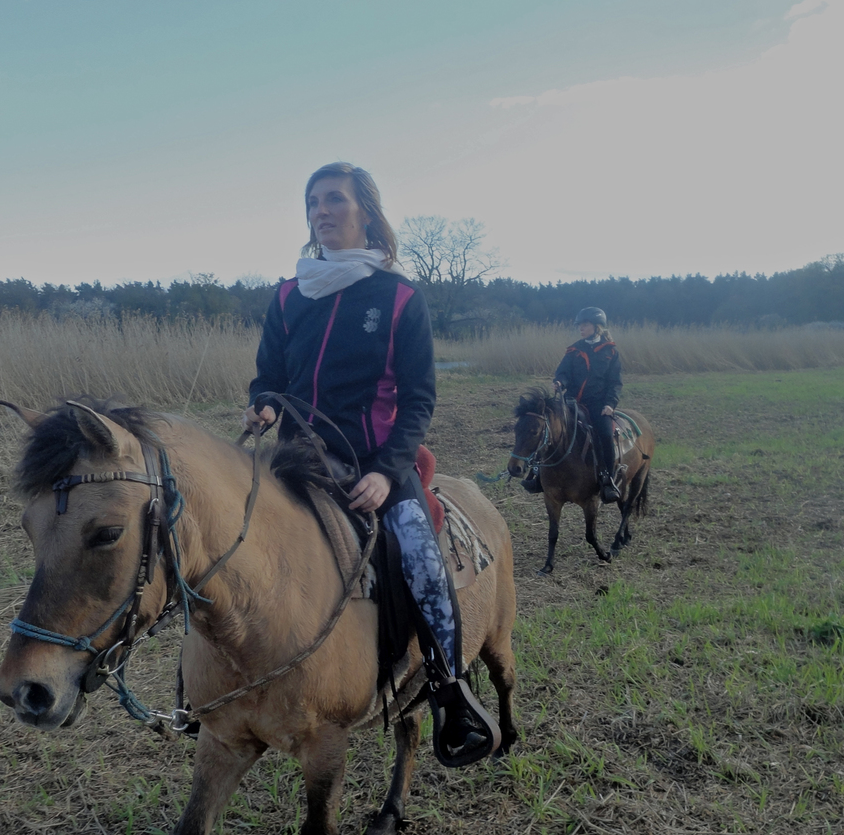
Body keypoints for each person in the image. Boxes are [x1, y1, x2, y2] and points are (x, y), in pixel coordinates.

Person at [242, 161, 496, 766]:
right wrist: (264, 405)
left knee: (421, 558)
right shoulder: (289, 295)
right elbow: (269, 376)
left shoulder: (400, 297)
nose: (321, 211)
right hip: (296, 459)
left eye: (334, 199)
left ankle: (449, 689)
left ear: (367, 213)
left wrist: (385, 471)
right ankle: (206, 687)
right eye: (313, 202)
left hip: (376, 463)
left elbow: (419, 398)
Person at [552, 306, 623, 503]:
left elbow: (615, 383)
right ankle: (536, 473)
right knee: (551, 427)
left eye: (585, 325)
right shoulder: (574, 350)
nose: (581, 328)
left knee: (606, 435)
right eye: (580, 325)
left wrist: (610, 404)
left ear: (597, 327)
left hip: (598, 404)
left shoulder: (611, 352)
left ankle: (608, 479)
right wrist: (560, 382)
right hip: (572, 401)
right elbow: (563, 372)